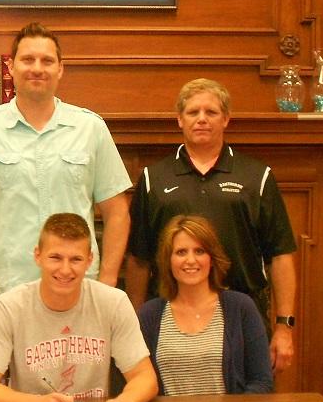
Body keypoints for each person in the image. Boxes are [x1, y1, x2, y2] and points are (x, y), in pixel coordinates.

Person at [0, 22, 132, 328]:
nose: (37, 68)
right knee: (4, 378)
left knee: (81, 377)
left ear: (60, 69)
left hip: (81, 294)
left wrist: (107, 284)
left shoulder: (90, 128)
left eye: (47, 61)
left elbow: (118, 212)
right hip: (6, 296)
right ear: (10, 67)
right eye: (27, 59)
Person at [126, 78, 297, 374]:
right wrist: (133, 325)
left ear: (226, 119)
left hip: (244, 314)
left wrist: (284, 326)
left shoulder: (257, 177)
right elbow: (138, 259)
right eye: (193, 112)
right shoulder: (154, 178)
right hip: (170, 314)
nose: (202, 119)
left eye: (211, 112)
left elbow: (280, 255)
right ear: (179, 119)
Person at [0, 213, 157, 402]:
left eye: (76, 259)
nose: (65, 270)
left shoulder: (114, 302)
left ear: (89, 260)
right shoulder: (7, 307)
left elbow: (144, 377)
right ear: (37, 256)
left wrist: (126, 400)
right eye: (55, 258)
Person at [138, 215, 273, 396]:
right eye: (181, 252)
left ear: (212, 258)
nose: (191, 260)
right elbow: (137, 381)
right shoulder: (149, 314)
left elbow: (261, 382)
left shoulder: (241, 308)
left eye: (199, 251)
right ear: (168, 261)